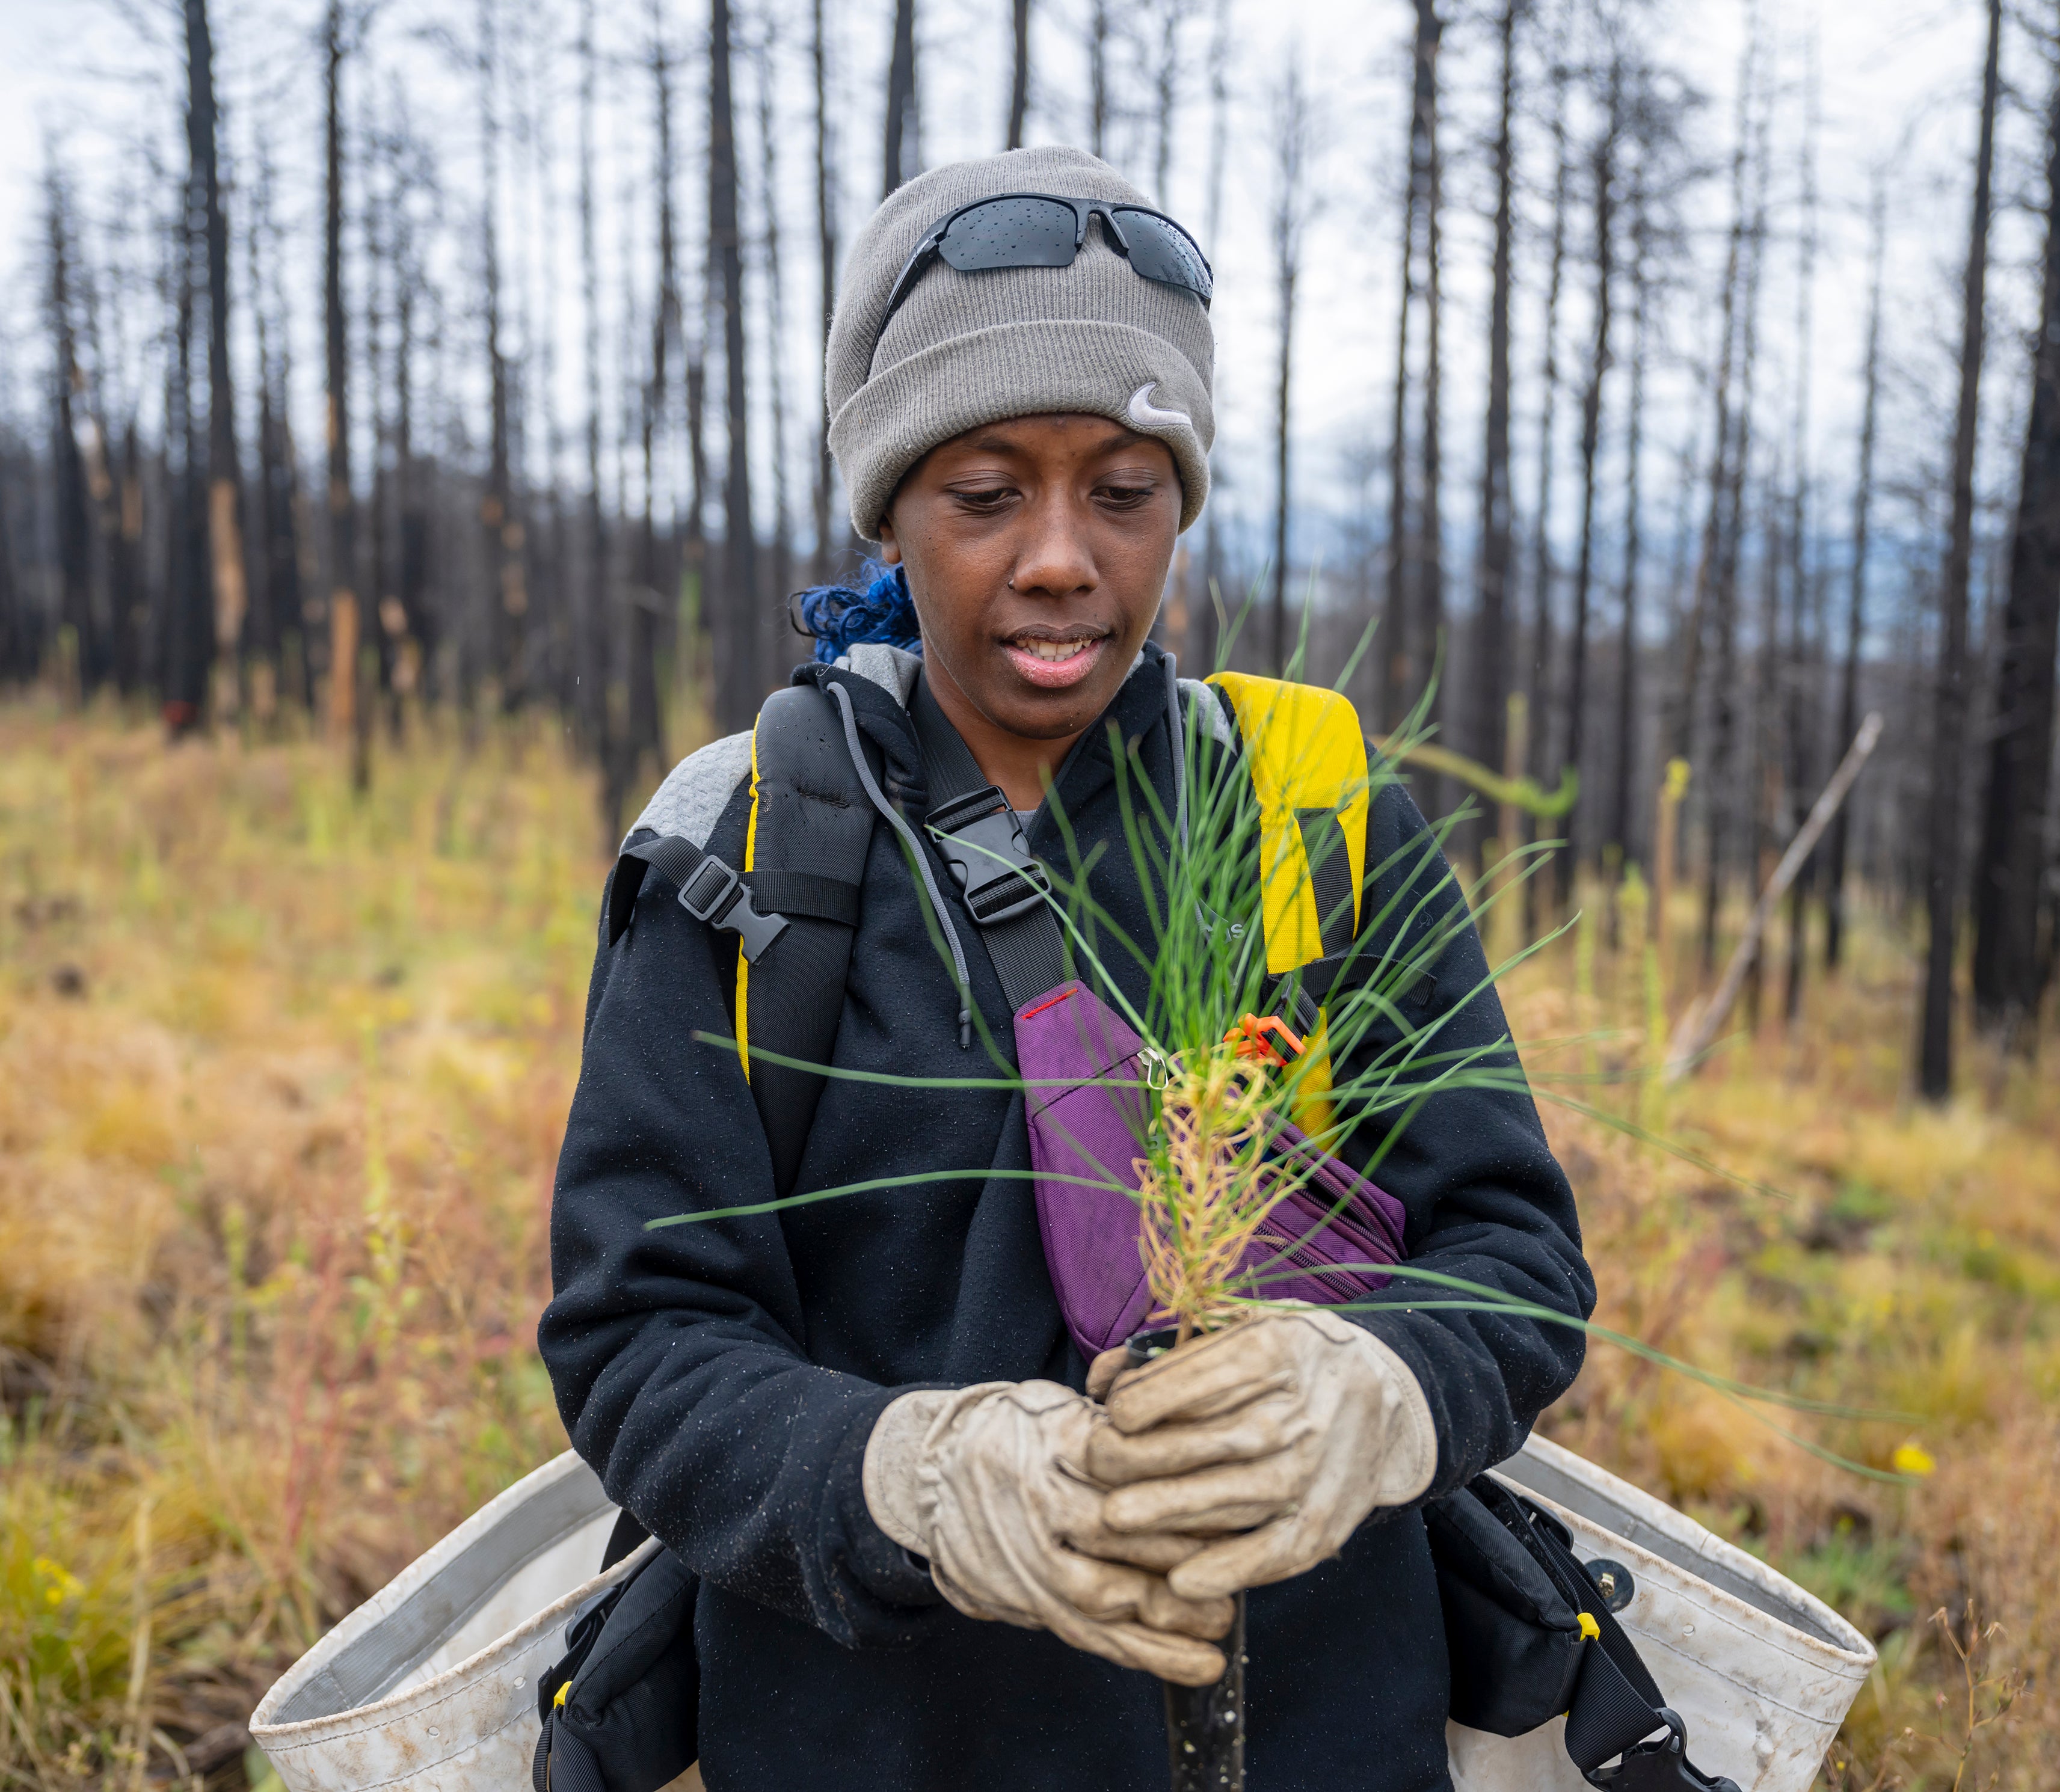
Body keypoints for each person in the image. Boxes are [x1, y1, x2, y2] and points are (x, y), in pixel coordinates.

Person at [540, 144, 1594, 1792]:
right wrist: (915, 1476)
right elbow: (639, 1339)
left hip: (1320, 1738)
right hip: (872, 1739)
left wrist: (1374, 1387)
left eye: (1124, 489)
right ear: (890, 504)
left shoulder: (1310, 815)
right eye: (984, 493)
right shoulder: (745, 847)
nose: (1058, 556)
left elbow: (1515, 1252)